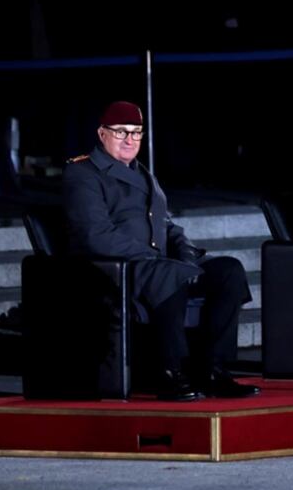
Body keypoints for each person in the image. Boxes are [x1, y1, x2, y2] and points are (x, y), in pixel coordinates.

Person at [63, 100, 260, 400]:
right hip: (119, 267)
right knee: (170, 274)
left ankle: (213, 369)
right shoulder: (83, 173)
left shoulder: (142, 172)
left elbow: (165, 225)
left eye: (137, 133)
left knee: (228, 271)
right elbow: (96, 235)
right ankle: (171, 372)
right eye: (121, 132)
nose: (130, 140)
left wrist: (185, 251)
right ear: (102, 133)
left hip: (159, 264)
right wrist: (156, 257)